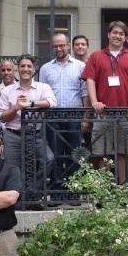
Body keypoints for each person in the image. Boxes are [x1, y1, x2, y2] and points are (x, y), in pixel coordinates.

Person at [81, 20, 128, 183]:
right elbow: (90, 80)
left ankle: (122, 188)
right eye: (115, 33)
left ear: (125, 38)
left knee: (124, 153)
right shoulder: (96, 56)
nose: (118, 36)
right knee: (100, 152)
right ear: (108, 34)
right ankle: (104, 190)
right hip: (103, 113)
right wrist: (94, 102)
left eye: (121, 34)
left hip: (126, 112)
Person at [0, 53, 57, 193]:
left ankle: (31, 191)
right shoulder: (7, 91)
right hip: (13, 135)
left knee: (48, 159)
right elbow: (2, 117)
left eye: (29, 66)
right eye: (22, 66)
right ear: (17, 69)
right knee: (13, 167)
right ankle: (18, 197)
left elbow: (52, 102)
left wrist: (30, 104)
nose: (26, 69)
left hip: (36, 134)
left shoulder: (43, 87)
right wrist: (16, 107)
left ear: (34, 69)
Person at [38, 33, 89, 185]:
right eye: (55, 46)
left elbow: (84, 93)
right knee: (56, 154)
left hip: (74, 116)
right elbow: (42, 94)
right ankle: (56, 191)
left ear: (68, 46)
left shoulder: (81, 67)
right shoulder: (45, 68)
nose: (59, 48)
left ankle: (74, 191)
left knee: (75, 154)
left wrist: (86, 117)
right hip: (53, 117)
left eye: (61, 45)